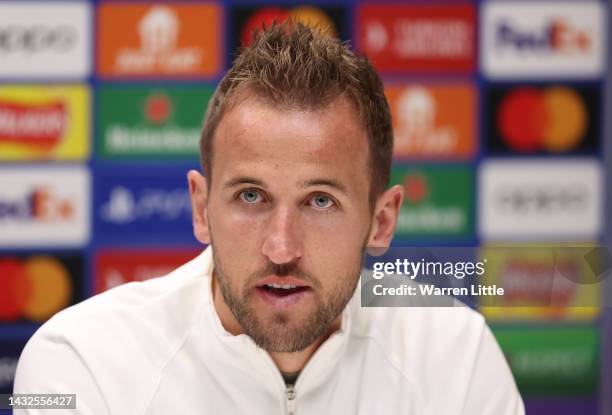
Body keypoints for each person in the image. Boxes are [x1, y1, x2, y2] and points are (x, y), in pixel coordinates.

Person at [14, 22, 524, 414]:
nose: (281, 248)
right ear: (201, 207)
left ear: (381, 221)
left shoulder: (458, 357)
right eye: (252, 197)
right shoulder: (78, 360)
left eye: (320, 201)